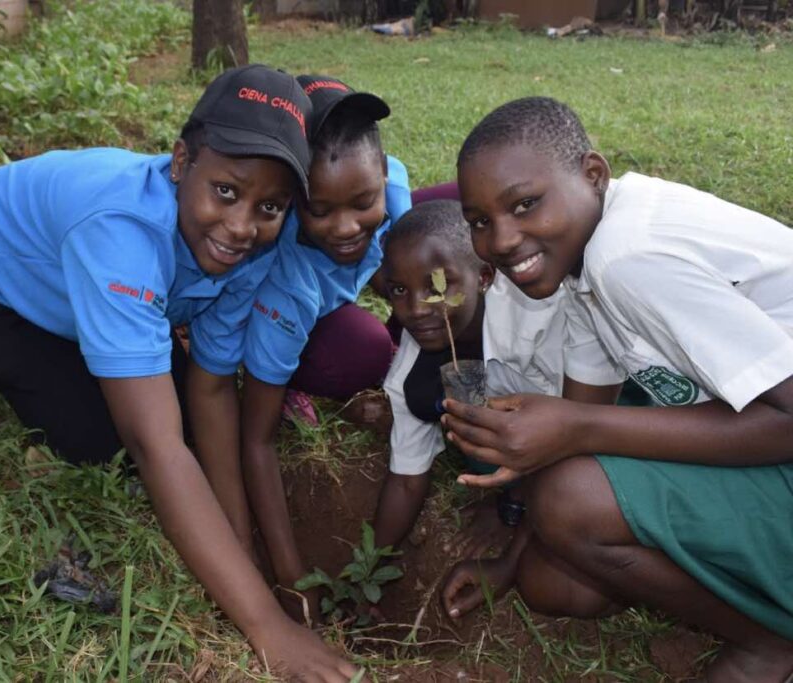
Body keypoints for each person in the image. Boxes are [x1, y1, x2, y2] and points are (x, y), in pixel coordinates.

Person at [0, 64, 360, 681]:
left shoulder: (248, 247)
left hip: (104, 283)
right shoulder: (121, 231)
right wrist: (266, 626)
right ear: (182, 162)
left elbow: (212, 386)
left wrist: (242, 545)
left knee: (181, 411)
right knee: (105, 440)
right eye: (227, 192)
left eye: (270, 206)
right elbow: (153, 446)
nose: (242, 228)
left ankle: (109, 338)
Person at [441, 96, 793, 682]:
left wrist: (574, 427)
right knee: (554, 581)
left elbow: (789, 416)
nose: (501, 240)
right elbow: (584, 411)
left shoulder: (625, 258)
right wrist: (511, 558)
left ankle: (768, 643)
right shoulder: (584, 259)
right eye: (480, 222)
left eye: (526, 204)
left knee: (571, 503)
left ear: (592, 174)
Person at [224, 75, 411, 618]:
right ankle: (290, 380)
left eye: (363, 200)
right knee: (365, 349)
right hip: (287, 320)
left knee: (446, 215)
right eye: (320, 209)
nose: (348, 226)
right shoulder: (286, 286)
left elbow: (390, 225)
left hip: (330, 298)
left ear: (379, 175)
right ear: (292, 201)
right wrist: (289, 575)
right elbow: (254, 441)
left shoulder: (390, 187)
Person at [370, 200, 571, 562]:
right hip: (518, 423)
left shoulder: (536, 322)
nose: (416, 309)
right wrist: (370, 568)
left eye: (439, 285)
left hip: (600, 408)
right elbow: (406, 478)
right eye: (399, 290)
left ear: (483, 277)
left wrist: (511, 506)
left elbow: (575, 426)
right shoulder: (412, 371)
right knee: (450, 414)